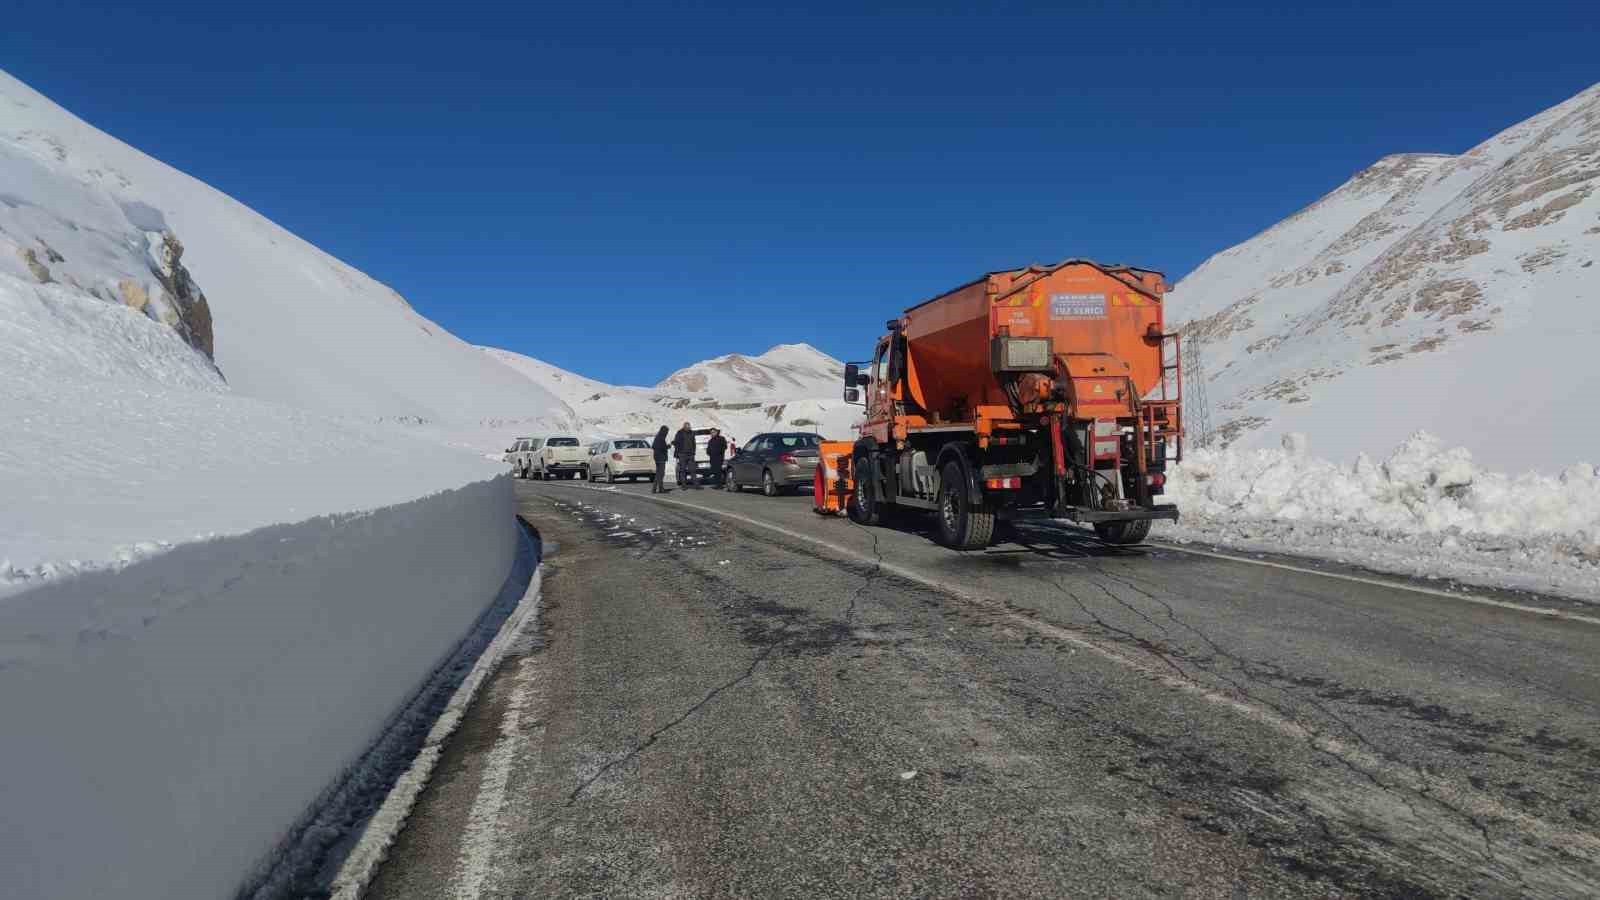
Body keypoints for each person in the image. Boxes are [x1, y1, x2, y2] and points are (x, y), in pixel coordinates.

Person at [672, 421, 697, 488]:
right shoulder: (679, 433)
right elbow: (676, 442)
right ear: (684, 427)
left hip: (691, 454)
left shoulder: (692, 433)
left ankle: (695, 484)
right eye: (686, 427)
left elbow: (694, 443)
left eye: (689, 427)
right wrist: (674, 443)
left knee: (693, 469)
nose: (688, 428)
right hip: (682, 454)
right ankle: (684, 485)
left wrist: (694, 452)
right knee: (683, 470)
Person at [651, 426, 670, 493]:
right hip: (661, 458)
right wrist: (668, 446)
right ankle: (661, 489)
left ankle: (654, 489)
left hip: (656, 457)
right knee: (661, 474)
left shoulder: (657, 437)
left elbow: (653, 446)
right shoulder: (661, 438)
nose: (667, 433)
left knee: (658, 474)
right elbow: (663, 448)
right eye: (667, 431)